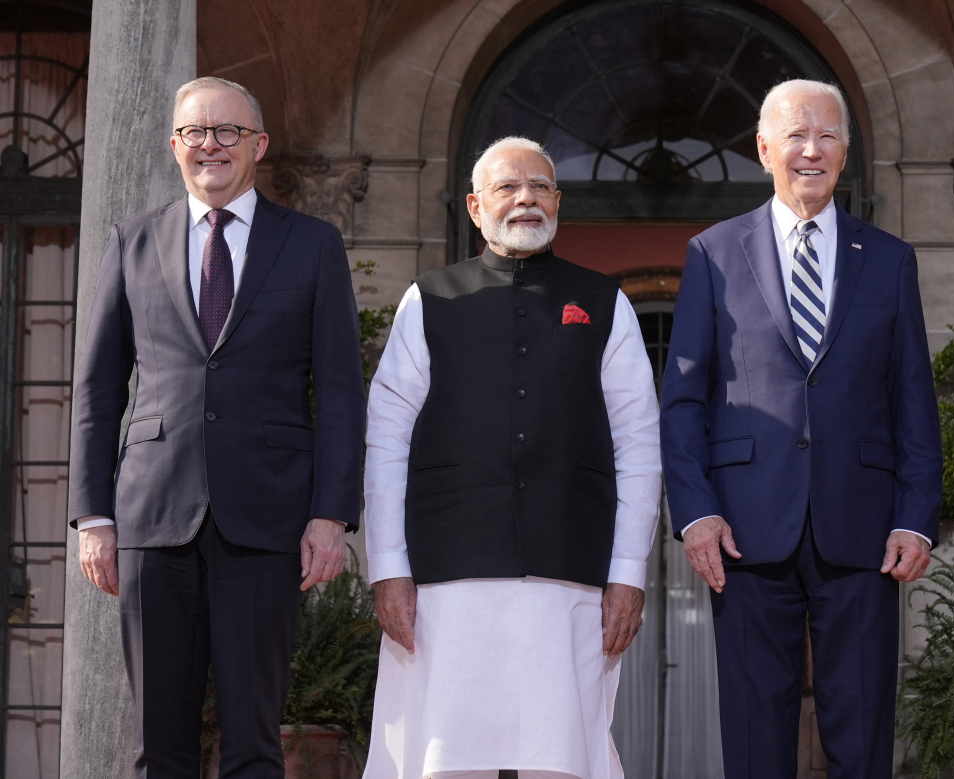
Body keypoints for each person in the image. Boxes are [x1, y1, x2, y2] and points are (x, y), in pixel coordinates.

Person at [68, 77, 365, 778]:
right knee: (157, 745)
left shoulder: (313, 246)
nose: (210, 144)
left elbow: (343, 393)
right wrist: (93, 514)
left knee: (255, 743)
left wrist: (330, 516)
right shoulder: (132, 242)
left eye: (227, 131)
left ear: (258, 145)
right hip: (151, 520)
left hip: (266, 524)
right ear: (174, 146)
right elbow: (98, 387)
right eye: (195, 132)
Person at [659, 79, 942, 778]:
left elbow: (913, 398)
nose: (810, 150)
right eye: (794, 135)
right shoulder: (713, 254)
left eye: (826, 136)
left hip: (866, 529)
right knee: (756, 736)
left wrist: (916, 517)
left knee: (864, 730)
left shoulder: (891, 259)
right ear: (763, 149)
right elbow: (684, 401)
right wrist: (695, 513)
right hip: (746, 534)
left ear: (846, 152)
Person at [361, 136, 661, 779]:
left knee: (562, 758)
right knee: (444, 758)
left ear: (558, 201)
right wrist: (387, 568)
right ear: (474, 207)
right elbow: (387, 436)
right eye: (507, 187)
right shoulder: (430, 299)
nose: (525, 197)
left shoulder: (606, 303)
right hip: (445, 576)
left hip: (569, 571)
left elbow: (639, 441)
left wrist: (629, 574)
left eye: (540, 186)